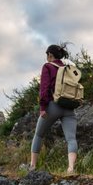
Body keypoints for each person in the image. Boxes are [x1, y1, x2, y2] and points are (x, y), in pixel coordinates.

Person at [28, 44, 78, 174]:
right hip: (69, 106)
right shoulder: (69, 68)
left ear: (50, 55)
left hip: (53, 106)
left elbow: (44, 89)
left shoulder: (48, 66)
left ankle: (32, 166)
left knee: (39, 134)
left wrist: (43, 107)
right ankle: (71, 168)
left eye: (47, 55)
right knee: (71, 139)